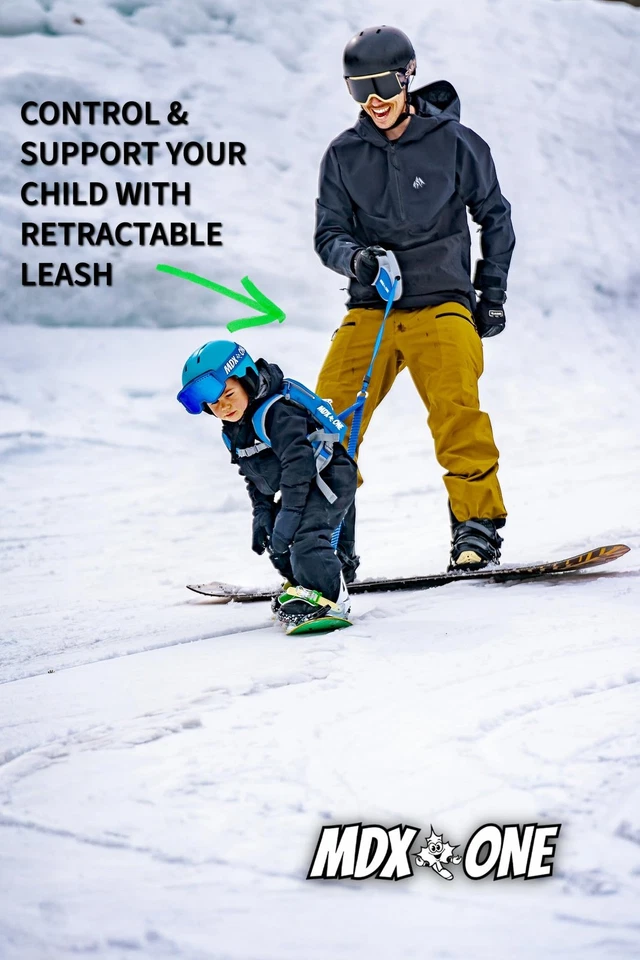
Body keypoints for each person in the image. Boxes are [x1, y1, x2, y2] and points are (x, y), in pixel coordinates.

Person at [314, 25, 515, 574]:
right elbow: (329, 234)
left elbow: (495, 217)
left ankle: (475, 530)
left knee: (457, 414)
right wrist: (356, 259)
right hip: (372, 309)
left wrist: (491, 292)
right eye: (359, 88)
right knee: (324, 423)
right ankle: (328, 542)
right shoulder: (344, 155)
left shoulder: (455, 142)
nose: (373, 100)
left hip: (441, 303)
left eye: (382, 84)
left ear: (407, 77)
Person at [177, 340, 356, 625]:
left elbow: (298, 463)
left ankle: (332, 600)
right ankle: (306, 583)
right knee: (276, 537)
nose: (223, 406)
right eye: (214, 403)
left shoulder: (277, 412)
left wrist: (291, 512)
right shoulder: (234, 431)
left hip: (329, 477)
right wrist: (263, 512)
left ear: (247, 380)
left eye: (229, 394)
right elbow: (254, 473)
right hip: (300, 485)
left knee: (305, 537)